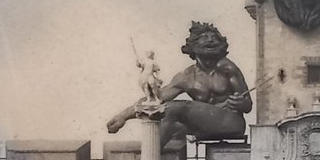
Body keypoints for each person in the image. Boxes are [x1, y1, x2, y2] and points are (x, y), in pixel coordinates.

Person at [106, 22, 252, 148]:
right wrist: (123, 115)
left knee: (176, 108)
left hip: (231, 123)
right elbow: (157, 99)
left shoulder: (226, 68)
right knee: (167, 121)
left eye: (214, 38)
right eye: (205, 38)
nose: (211, 41)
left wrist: (239, 103)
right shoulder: (186, 76)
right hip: (204, 127)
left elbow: (248, 105)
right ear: (192, 46)